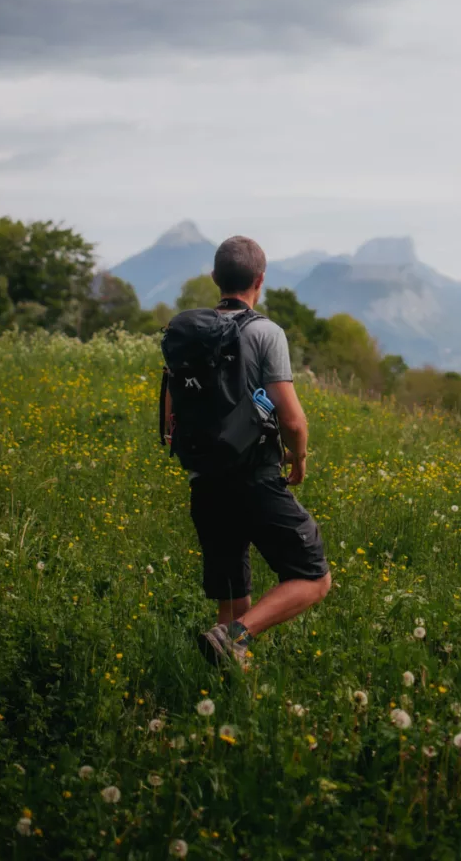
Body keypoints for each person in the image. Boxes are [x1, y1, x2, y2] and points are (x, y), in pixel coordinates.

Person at [171, 235, 331, 668]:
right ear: (260, 280)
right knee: (314, 578)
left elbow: (172, 413)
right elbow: (293, 418)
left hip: (205, 480)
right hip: (254, 477)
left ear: (214, 279)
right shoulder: (265, 332)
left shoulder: (186, 333)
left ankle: (225, 684)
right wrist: (297, 460)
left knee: (231, 595)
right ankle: (235, 636)